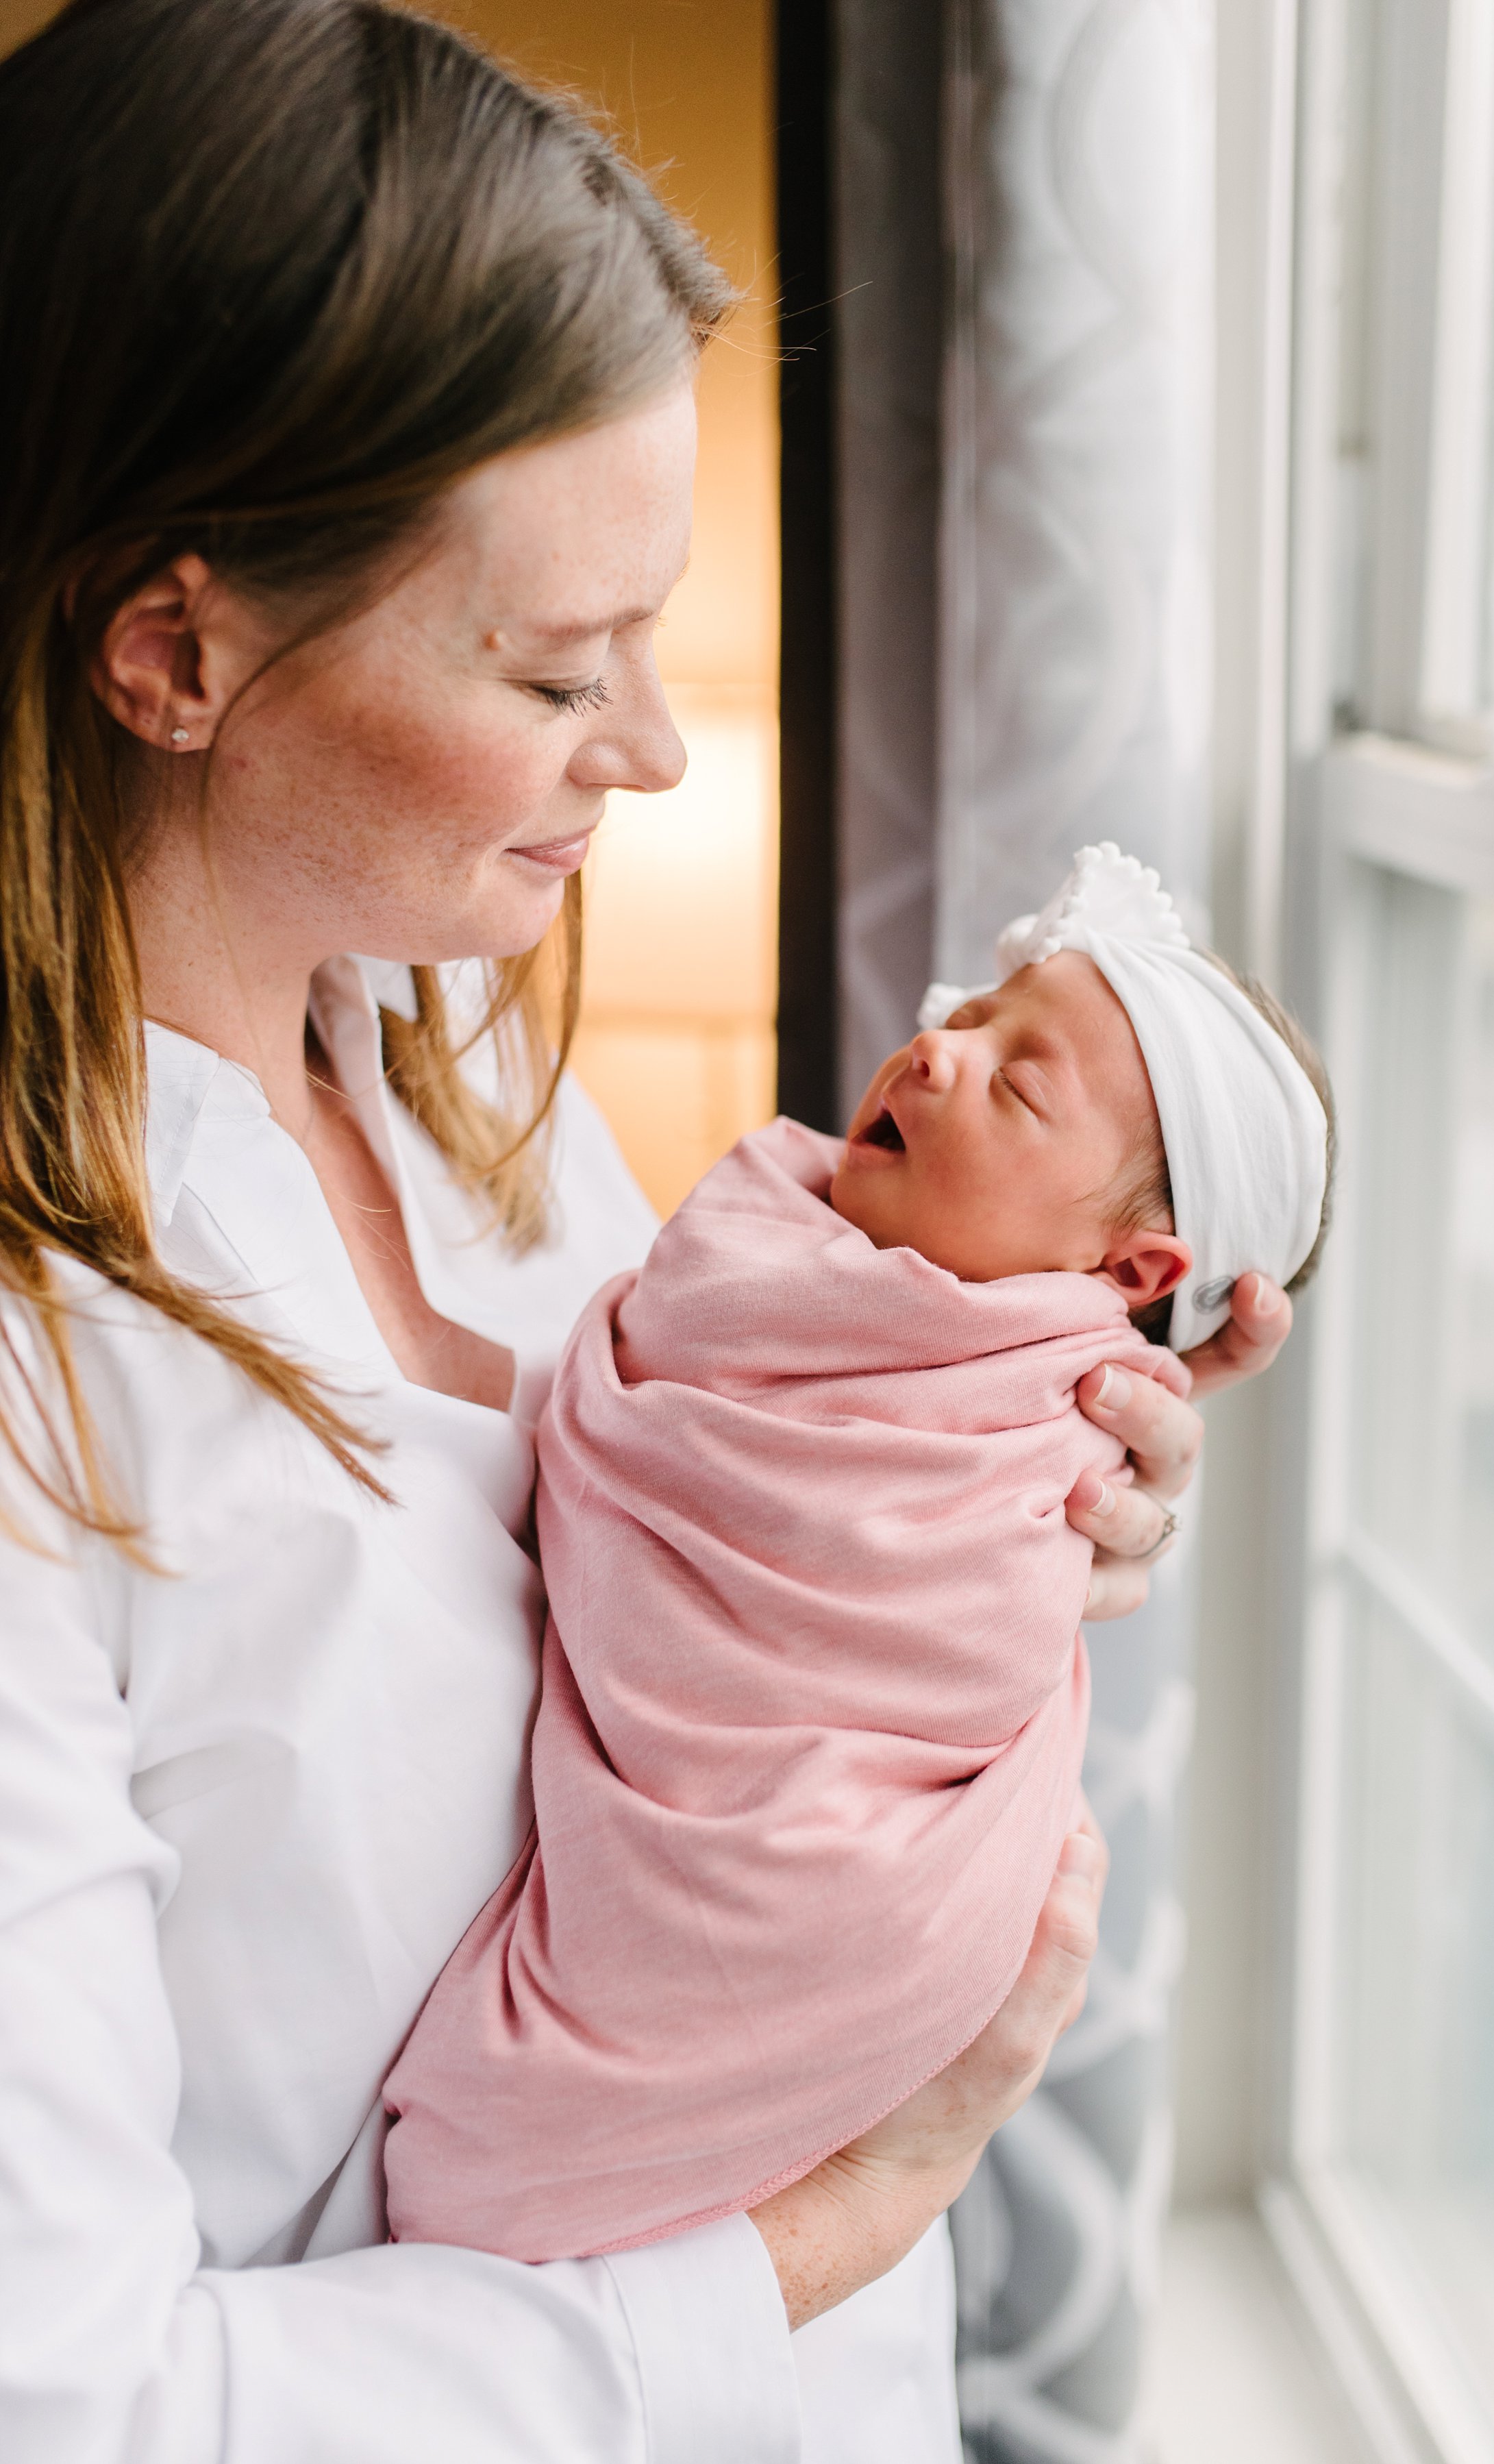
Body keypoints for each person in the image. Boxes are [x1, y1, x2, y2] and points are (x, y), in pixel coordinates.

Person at [0, 5, 1294, 2461]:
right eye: (555, 666)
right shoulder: (47, 1388)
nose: (660, 746)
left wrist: (990, 1453)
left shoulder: (458, 1060)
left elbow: (698, 1554)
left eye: (655, 635)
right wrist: (841, 2218)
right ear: (175, 652)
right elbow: (73, 2406)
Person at [381, 846, 1332, 2266]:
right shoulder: (787, 1240)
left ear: (1133, 1279)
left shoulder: (1055, 1414)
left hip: (837, 1894)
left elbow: (911, 1606)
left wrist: (1051, 1512)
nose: (939, 1052)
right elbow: (691, 1413)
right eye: (974, 1017)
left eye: (1018, 1084)